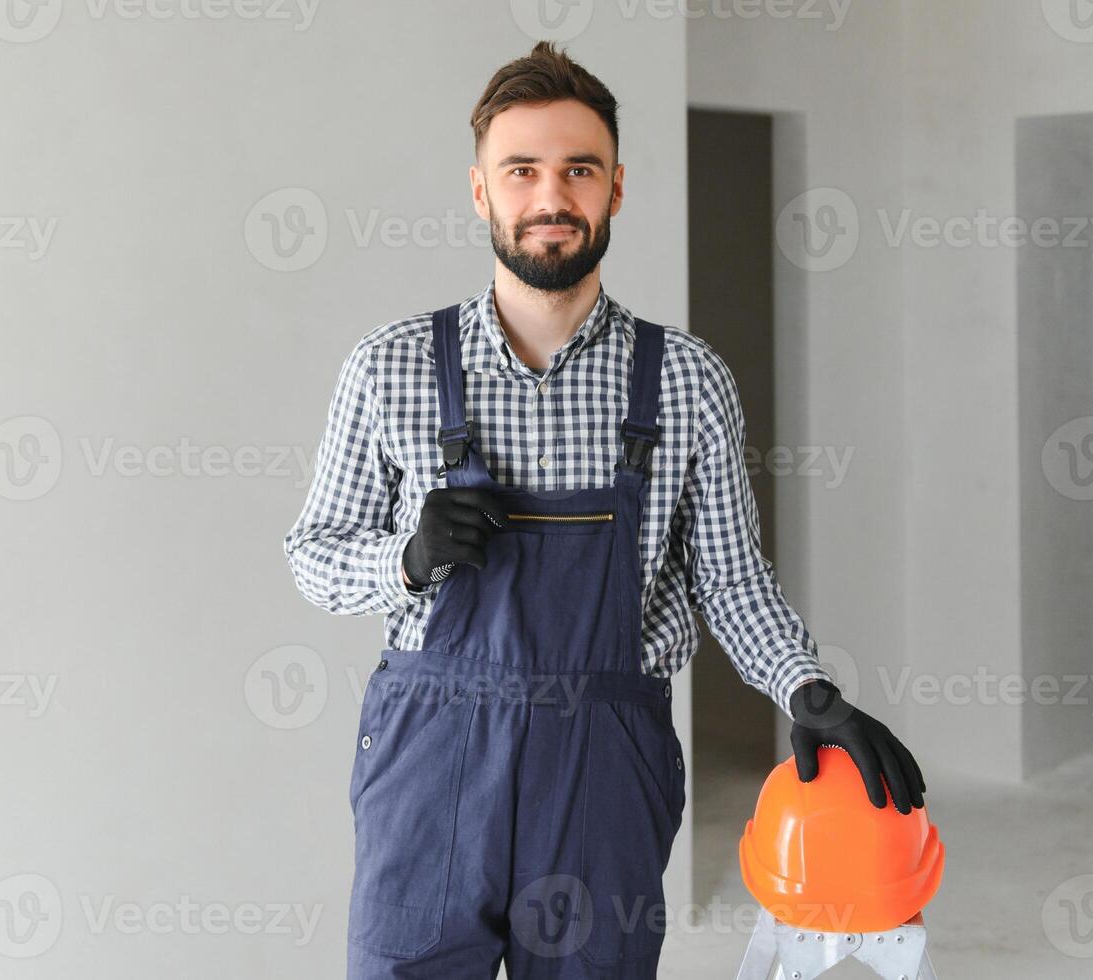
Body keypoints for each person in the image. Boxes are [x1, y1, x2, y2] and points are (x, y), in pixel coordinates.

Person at [282, 40, 925, 980]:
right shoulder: (390, 368)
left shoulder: (687, 383)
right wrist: (405, 560)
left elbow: (732, 584)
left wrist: (808, 691)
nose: (551, 197)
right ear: (479, 191)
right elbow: (312, 555)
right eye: (522, 171)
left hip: (602, 765)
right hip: (431, 765)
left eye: (578, 170)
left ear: (615, 188)